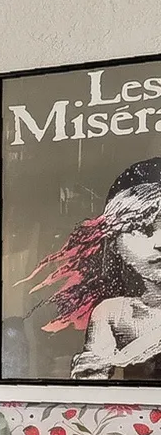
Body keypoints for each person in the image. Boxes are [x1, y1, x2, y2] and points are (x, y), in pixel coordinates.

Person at [29, 156, 161, 378]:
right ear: (115, 243)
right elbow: (95, 381)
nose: (159, 242)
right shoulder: (113, 314)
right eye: (140, 229)